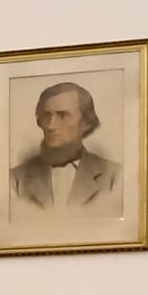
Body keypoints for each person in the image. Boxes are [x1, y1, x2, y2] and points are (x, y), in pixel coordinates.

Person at [9, 81, 123, 217]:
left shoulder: (114, 175)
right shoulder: (15, 179)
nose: (51, 126)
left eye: (63, 115)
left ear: (85, 122)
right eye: (47, 116)